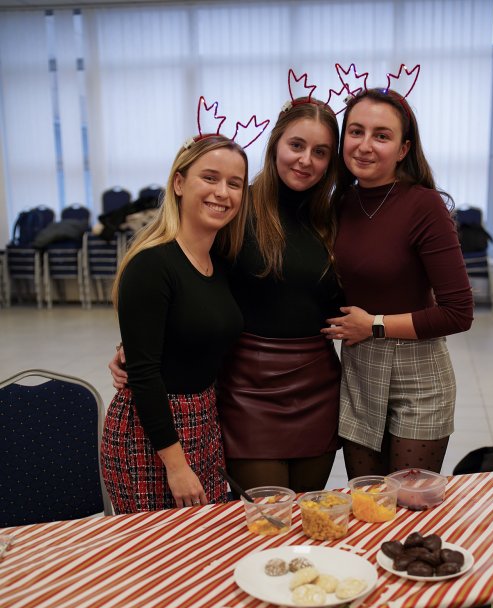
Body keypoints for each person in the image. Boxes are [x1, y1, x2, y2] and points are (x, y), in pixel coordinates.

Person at [322, 87, 493, 608]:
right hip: (360, 370)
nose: (364, 145)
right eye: (355, 132)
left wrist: (372, 325)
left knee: (411, 515)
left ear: (404, 147)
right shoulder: (338, 202)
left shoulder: (423, 206)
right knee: (371, 516)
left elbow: (458, 312)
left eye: (382, 135)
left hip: (418, 371)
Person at [111, 97, 342, 493]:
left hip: (317, 383)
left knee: (305, 514)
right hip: (248, 385)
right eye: (296, 145)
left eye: (320, 152)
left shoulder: (332, 218)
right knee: (265, 517)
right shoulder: (236, 208)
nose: (306, 159)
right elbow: (178, 283)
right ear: (275, 145)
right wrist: (132, 346)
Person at [100, 134, 248, 608]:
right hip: (149, 433)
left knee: (192, 561)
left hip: (201, 420)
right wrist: (176, 462)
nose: (222, 192)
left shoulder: (217, 263)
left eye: (235, 183)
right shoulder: (151, 264)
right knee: (151, 568)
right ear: (180, 182)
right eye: (210, 177)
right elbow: (145, 372)